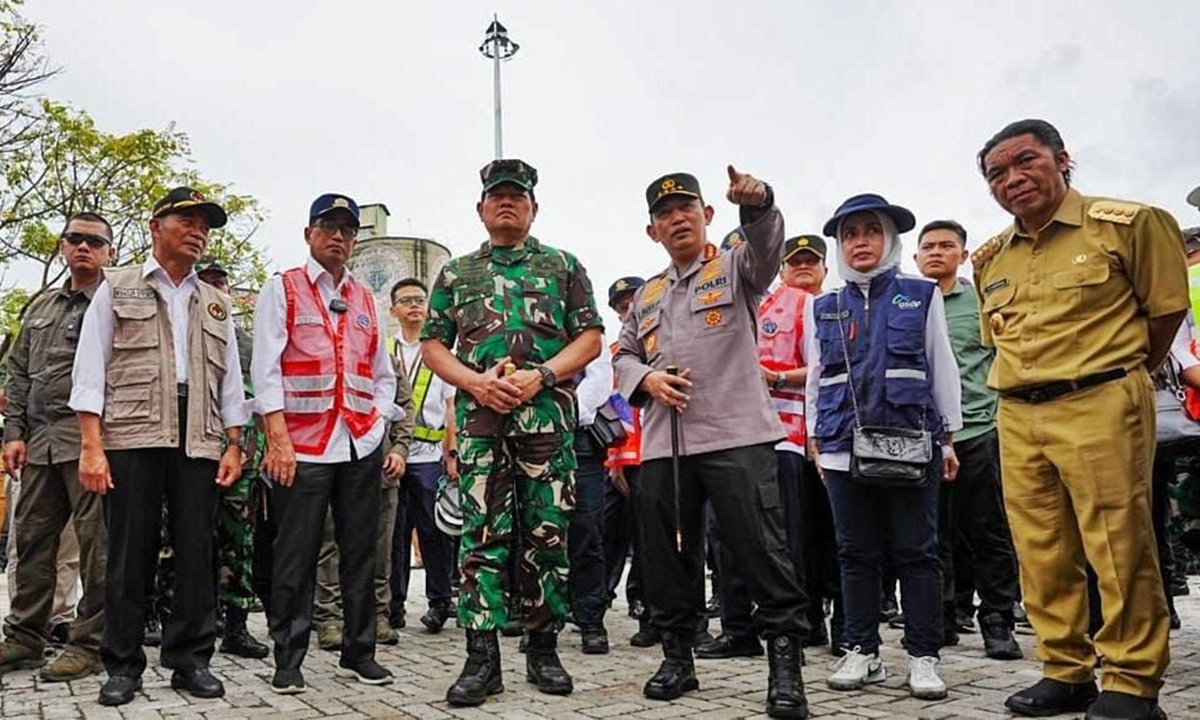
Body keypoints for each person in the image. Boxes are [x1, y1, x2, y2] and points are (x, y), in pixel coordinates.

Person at [973, 119, 1187, 720]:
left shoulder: (1130, 224)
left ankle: (1133, 679)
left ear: (1062, 159)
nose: (1013, 179)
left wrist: (1115, 374)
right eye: (997, 174)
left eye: (1026, 162)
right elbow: (999, 341)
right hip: (1017, 410)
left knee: (1118, 543)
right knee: (1041, 549)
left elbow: (1164, 313)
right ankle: (1065, 669)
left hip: (1101, 399)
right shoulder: (990, 259)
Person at [614, 167, 809, 719]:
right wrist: (645, 380)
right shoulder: (647, 295)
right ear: (652, 230)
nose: (677, 218)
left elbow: (769, 245)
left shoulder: (736, 267)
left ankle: (785, 666)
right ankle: (678, 657)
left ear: (707, 217)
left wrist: (761, 203)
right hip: (663, 447)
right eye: (665, 214)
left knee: (761, 552)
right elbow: (623, 355)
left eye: (687, 208)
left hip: (737, 436)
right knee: (667, 557)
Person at [422, 159, 603, 706]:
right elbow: (433, 345)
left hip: (546, 423)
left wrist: (542, 376)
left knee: (548, 533)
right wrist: (477, 383)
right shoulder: (456, 273)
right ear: (480, 209)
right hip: (481, 426)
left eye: (517, 197)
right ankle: (482, 659)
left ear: (533, 208)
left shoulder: (563, 266)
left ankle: (543, 648)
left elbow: (591, 338)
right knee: (481, 539)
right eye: (497, 196)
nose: (507, 204)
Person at [70, 187, 249, 707]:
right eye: (187, 221)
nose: (198, 231)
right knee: (129, 552)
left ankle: (191, 660)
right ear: (155, 225)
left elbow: (231, 380)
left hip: (200, 432)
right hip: (130, 430)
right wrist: (91, 445)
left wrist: (234, 443)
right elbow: (89, 368)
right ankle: (123, 665)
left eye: (204, 225)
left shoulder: (214, 300)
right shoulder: (117, 285)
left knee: (197, 550)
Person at [805, 194, 962, 701]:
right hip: (839, 445)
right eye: (850, 234)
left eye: (871, 231)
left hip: (911, 441)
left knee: (917, 551)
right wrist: (814, 436)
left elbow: (942, 365)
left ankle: (923, 656)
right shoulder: (822, 306)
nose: (861, 242)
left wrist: (950, 436)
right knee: (855, 553)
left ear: (890, 238)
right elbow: (815, 376)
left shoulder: (921, 295)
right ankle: (862, 651)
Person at [252, 193, 400, 694]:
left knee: (362, 552)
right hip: (304, 446)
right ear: (309, 233)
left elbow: (384, 375)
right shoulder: (283, 288)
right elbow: (266, 369)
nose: (338, 236)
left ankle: (359, 652)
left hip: (359, 443)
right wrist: (278, 439)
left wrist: (376, 424)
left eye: (347, 229)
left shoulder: (367, 300)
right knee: (295, 554)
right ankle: (288, 658)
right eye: (329, 226)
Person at [0, 213, 114, 682]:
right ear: (62, 246)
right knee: (30, 542)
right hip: (40, 441)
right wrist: (14, 433)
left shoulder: (116, 302)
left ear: (109, 251)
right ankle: (25, 637)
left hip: (90, 441)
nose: (83, 247)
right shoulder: (40, 306)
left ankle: (90, 643)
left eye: (94, 241)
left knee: (97, 548)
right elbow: (19, 373)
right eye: (75, 239)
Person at [914, 219, 1023, 660]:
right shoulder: (908, 302)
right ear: (915, 256)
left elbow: (1007, 355)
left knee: (988, 529)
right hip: (923, 435)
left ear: (962, 254)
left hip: (979, 428)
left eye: (946, 246)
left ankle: (997, 619)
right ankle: (939, 619)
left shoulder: (982, 300)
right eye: (927, 247)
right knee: (931, 534)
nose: (935, 252)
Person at [188, 258, 270, 660]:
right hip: (192, 450)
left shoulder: (248, 342)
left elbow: (262, 398)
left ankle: (236, 625)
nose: (215, 289)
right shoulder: (182, 334)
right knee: (184, 538)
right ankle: (182, 623)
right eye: (206, 282)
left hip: (243, 453)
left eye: (221, 282)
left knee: (239, 540)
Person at [386, 278, 458, 634]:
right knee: (394, 534)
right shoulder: (384, 349)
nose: (414, 306)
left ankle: (440, 601)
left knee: (433, 530)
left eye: (419, 300)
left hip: (429, 455)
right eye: (406, 301)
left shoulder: (438, 350)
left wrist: (453, 453)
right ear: (393, 309)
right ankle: (393, 604)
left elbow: (450, 406)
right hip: (393, 456)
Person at [602, 276, 657, 648]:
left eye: (631, 302)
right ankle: (597, 600)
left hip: (654, 454)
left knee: (651, 538)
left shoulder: (657, 345)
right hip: (618, 457)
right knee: (607, 535)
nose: (626, 309)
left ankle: (647, 607)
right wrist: (614, 459)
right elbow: (609, 411)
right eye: (620, 305)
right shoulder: (610, 354)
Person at [568, 338, 615, 653]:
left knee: (587, 530)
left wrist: (562, 411)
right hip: (535, 439)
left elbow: (598, 380)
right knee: (539, 533)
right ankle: (542, 620)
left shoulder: (585, 328)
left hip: (581, 438)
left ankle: (590, 619)